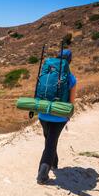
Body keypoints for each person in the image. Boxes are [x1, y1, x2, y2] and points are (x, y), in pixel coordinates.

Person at [37, 49, 77, 185]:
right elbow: (71, 102)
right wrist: (68, 116)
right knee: (51, 143)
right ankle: (42, 175)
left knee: (49, 140)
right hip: (59, 117)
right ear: (69, 61)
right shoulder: (71, 78)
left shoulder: (46, 74)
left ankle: (54, 164)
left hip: (43, 113)